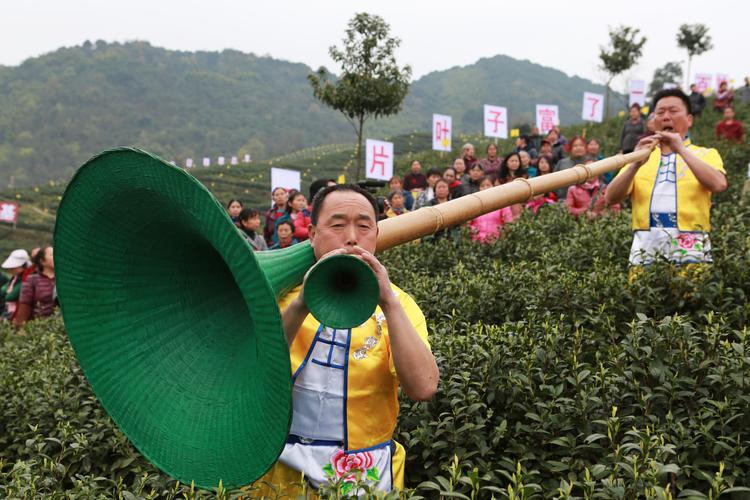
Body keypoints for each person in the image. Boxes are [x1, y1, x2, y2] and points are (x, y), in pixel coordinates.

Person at [255, 184, 438, 495]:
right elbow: (253, 376)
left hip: (367, 475)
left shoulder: (400, 305)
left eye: (364, 226)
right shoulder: (281, 297)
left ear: (376, 234)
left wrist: (389, 303)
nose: (352, 237)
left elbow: (423, 387)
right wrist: (300, 305)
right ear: (312, 234)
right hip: (279, 473)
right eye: (337, 225)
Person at [605, 88, 728, 266]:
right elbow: (610, 198)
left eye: (673, 111)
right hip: (645, 249)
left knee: (693, 284)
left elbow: (719, 184)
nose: (666, 117)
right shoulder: (641, 156)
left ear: (689, 120)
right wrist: (634, 166)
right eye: (660, 112)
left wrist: (681, 150)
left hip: (692, 249)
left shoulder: (705, 154)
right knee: (645, 285)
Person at [14, 246, 57, 328]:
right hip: (41, 327)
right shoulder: (32, 280)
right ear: (42, 261)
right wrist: (21, 329)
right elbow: (24, 307)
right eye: (52, 255)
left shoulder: (64, 279)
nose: (56, 257)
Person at [470, 177, 513, 243]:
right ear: (479, 188)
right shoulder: (474, 204)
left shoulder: (502, 203)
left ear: (493, 186)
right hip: (477, 242)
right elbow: (468, 224)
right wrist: (474, 232)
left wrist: (502, 237)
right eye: (482, 186)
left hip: (497, 241)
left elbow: (508, 222)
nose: (485, 188)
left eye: (488, 185)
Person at [553, 136, 589, 201]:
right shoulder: (562, 163)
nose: (578, 148)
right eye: (575, 146)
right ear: (570, 149)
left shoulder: (591, 163)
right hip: (563, 200)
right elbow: (554, 181)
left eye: (581, 145)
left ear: (585, 148)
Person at [1, 249, 30, 321]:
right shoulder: (15, 278)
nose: (11, 269)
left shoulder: (27, 278)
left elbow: (10, 296)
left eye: (14, 267)